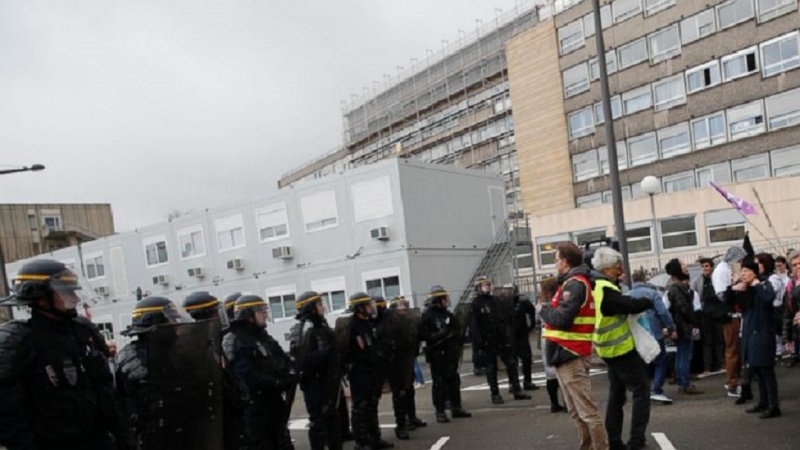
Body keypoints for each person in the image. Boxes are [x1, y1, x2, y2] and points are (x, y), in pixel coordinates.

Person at [0, 259, 130, 450]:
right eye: (66, 291)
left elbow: (106, 392)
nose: (75, 298)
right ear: (41, 297)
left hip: (96, 440)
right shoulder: (17, 341)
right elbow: (7, 413)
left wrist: (124, 437)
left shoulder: (82, 332)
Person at [540, 242, 609, 450]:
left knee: (586, 411)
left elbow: (562, 318)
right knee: (577, 411)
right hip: (566, 353)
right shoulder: (572, 283)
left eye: (556, 259)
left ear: (564, 261)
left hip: (571, 353)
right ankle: (588, 446)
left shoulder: (574, 284)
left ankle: (600, 447)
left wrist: (543, 309)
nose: (554, 264)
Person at [592, 248, 654, 450]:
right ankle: (637, 441)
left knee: (617, 396)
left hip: (606, 348)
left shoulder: (597, 286)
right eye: (618, 264)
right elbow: (629, 305)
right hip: (620, 348)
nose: (621, 268)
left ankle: (615, 442)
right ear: (609, 267)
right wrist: (647, 300)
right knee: (641, 391)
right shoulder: (606, 289)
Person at [116, 296, 193, 447]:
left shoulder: (171, 353)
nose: (176, 326)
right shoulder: (133, 357)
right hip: (151, 438)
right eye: (171, 321)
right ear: (157, 324)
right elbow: (152, 402)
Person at [223, 295, 296, 450]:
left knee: (282, 442)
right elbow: (246, 375)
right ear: (249, 315)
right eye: (261, 311)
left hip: (275, 401)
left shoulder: (263, 336)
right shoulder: (236, 339)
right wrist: (276, 383)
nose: (265, 315)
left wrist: (291, 373)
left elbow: (281, 357)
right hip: (256, 406)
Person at [728, 256, 781, 418]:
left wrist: (757, 283)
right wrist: (733, 288)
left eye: (746, 271)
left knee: (766, 370)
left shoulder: (764, 284)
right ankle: (763, 401)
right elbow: (728, 302)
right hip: (750, 333)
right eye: (742, 270)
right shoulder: (746, 290)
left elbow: (768, 297)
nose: (743, 274)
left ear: (754, 272)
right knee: (756, 369)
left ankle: (773, 405)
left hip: (763, 333)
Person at [289, 291, 342, 450]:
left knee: (333, 420)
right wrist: (328, 352)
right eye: (319, 305)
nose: (323, 308)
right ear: (309, 307)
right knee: (318, 422)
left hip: (328, 381)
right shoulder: (301, 330)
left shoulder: (323, 326)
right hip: (314, 384)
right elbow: (303, 362)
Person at [471, 276, 530, 404]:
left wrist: (507, 334)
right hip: (487, 340)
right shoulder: (476, 304)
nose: (487, 287)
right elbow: (474, 326)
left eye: (488, 284)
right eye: (484, 285)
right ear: (478, 288)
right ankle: (495, 393)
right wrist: (479, 342)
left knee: (511, 363)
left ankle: (516, 389)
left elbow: (505, 318)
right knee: (491, 367)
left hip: (501, 338)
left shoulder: (496, 301)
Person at [345, 293, 393, 450]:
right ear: (359, 308)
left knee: (372, 406)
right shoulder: (352, 326)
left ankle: (374, 438)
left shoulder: (367, 324)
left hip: (372, 373)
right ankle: (362, 442)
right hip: (360, 375)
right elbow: (352, 352)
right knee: (360, 408)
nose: (370, 307)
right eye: (367, 305)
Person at [419, 286, 472, 423]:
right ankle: (440, 411)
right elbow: (422, 334)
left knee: (454, 381)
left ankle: (456, 407)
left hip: (450, 354)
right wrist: (438, 335)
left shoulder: (448, 315)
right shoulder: (428, 316)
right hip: (437, 354)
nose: (446, 301)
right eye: (443, 298)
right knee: (439, 384)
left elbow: (456, 328)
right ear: (437, 300)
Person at [629, 270, 675, 404]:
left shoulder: (627, 295)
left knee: (643, 363)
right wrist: (670, 327)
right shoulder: (652, 293)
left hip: (638, 335)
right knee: (660, 361)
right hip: (655, 333)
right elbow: (663, 312)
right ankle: (657, 390)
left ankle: (644, 390)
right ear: (644, 279)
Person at [385, 296, 427, 437]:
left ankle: (412, 416)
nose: (404, 308)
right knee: (400, 394)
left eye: (404, 305)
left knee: (409, 391)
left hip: (408, 359)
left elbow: (415, 337)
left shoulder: (409, 322)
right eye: (400, 305)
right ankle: (403, 422)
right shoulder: (390, 324)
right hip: (397, 363)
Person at [713, 245, 747, 397]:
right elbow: (722, 295)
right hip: (729, 315)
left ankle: (735, 380)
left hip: (734, 314)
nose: (740, 261)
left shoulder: (727, 268)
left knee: (735, 349)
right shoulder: (722, 270)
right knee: (732, 349)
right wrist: (735, 286)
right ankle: (732, 382)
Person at [665, 258, 703, 395]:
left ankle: (681, 381)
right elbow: (683, 308)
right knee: (684, 355)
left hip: (679, 325)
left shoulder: (673, 286)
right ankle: (684, 383)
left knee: (681, 354)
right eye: (682, 264)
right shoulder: (677, 288)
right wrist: (694, 322)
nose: (685, 266)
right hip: (683, 326)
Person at [535, 277, 566, 413]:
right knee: (562, 369)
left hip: (545, 334)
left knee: (549, 371)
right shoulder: (558, 301)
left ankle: (554, 403)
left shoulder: (540, 302)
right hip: (557, 333)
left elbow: (537, 319)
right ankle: (566, 402)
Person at [512, 286, 539, 391]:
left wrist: (531, 326)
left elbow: (532, 312)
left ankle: (526, 381)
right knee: (513, 360)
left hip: (520, 333)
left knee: (525, 358)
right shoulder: (504, 302)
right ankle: (514, 383)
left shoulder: (522, 301)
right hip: (512, 334)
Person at [783, 250, 800, 367]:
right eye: (794, 265)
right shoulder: (791, 285)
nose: (798, 267)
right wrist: (787, 337)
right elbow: (788, 312)